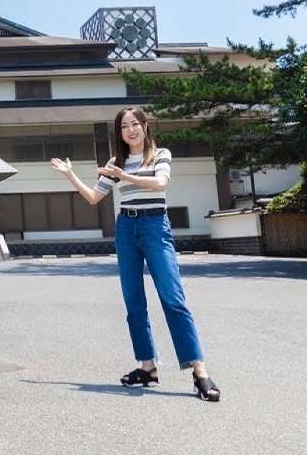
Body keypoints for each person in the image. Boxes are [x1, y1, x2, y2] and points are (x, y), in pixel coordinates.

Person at [49, 106, 221, 401]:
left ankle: (199, 371)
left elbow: (160, 183)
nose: (130, 130)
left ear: (144, 126)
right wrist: (70, 175)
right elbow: (94, 197)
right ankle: (147, 367)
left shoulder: (159, 155)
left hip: (155, 226)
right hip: (126, 229)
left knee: (173, 298)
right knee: (133, 301)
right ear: (120, 133)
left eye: (134, 124)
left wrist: (125, 177)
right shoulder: (117, 162)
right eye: (124, 126)